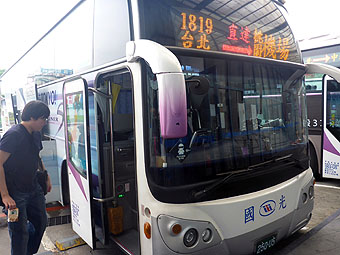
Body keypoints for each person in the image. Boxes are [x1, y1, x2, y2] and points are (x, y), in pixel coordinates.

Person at [0, 100, 52, 255]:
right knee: (19, 233)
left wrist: (46, 175)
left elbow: (37, 156)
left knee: (41, 222)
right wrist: (5, 195)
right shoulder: (13, 135)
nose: (45, 122)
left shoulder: (35, 134)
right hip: (15, 194)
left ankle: (27, 252)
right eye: (43, 118)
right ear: (32, 117)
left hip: (33, 187)